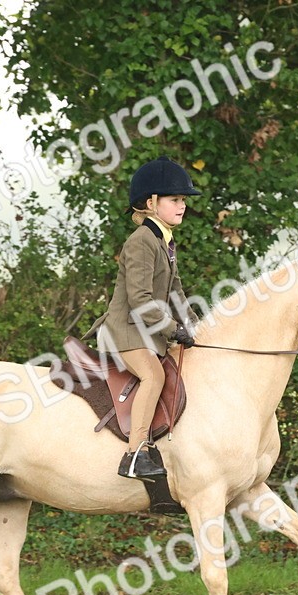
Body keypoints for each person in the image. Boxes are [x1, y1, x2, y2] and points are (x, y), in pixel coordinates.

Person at [84, 157, 200, 482]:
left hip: (146, 333)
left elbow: (176, 294)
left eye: (183, 200)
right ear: (151, 203)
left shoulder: (165, 241)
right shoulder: (140, 242)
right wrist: (173, 329)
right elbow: (140, 301)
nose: (182, 206)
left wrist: (196, 328)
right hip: (125, 331)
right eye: (174, 199)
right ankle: (135, 454)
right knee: (153, 376)